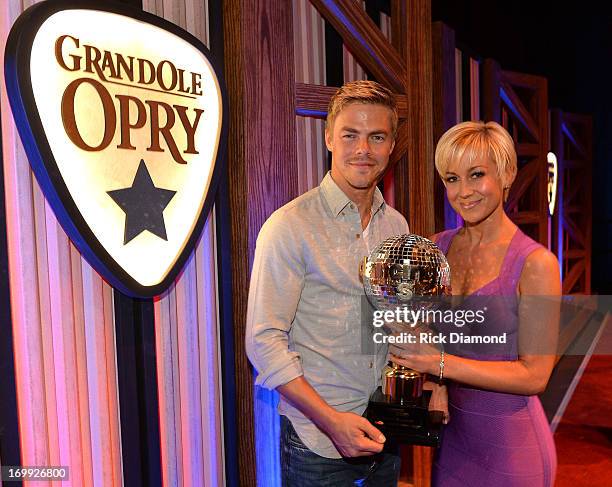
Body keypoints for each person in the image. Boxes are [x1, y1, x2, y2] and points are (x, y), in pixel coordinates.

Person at [245, 80, 410, 486]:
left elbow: (394, 322)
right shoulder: (289, 226)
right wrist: (332, 422)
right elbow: (263, 340)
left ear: (391, 145)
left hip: (385, 428)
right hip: (316, 443)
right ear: (328, 138)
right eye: (350, 135)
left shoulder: (397, 225)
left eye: (376, 137)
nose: (363, 150)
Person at [389, 121, 560, 487]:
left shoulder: (535, 263)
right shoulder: (438, 247)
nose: (463, 192)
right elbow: (432, 335)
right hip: (453, 442)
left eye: (476, 175)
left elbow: (535, 375)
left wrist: (438, 363)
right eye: (451, 179)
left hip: (513, 451)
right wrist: (437, 383)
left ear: (507, 173)